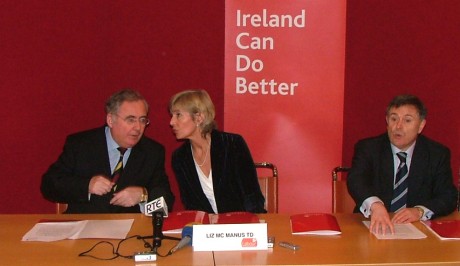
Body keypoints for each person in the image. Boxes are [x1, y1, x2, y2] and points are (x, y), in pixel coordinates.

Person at [41, 89, 175, 213]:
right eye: (130, 120)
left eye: (142, 120)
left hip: (131, 231)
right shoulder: (81, 145)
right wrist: (87, 185)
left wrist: (143, 195)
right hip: (84, 228)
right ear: (110, 120)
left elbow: (167, 202)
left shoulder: (152, 151)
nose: (138, 127)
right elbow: (49, 186)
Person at [347, 94, 457, 234]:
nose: (398, 126)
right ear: (387, 121)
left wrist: (420, 211)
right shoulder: (368, 148)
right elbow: (356, 180)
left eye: (407, 120)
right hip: (371, 227)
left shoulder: (437, 154)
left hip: (418, 232)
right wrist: (375, 205)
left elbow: (448, 196)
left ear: (421, 125)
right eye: (393, 119)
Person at [169, 89, 266, 214]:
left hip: (241, 226)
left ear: (199, 118)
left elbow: (252, 197)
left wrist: (248, 228)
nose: (171, 122)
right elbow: (190, 204)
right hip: (206, 229)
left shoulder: (232, 144)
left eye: (178, 115)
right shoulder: (179, 157)